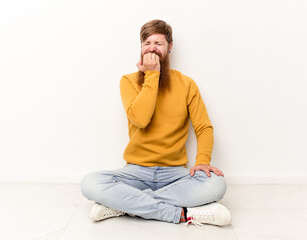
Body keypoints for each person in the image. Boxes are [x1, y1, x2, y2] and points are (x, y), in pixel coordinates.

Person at [81, 19, 232, 227]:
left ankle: (123, 205)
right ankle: (182, 214)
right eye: (147, 43)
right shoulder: (128, 81)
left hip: (175, 172)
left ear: (169, 47)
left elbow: (203, 127)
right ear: (141, 48)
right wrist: (152, 75)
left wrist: (203, 161)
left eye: (158, 43)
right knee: (90, 183)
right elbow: (141, 120)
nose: (152, 48)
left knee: (217, 185)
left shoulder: (186, 84)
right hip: (136, 170)